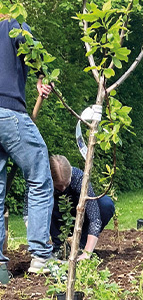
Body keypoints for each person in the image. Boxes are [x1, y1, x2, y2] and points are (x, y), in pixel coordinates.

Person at [0, 15, 55, 280]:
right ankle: (41, 256)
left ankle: (0, 268)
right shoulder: (12, 24)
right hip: (9, 112)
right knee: (39, 177)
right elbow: (31, 47)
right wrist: (42, 77)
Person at [49, 154, 115, 260]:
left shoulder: (79, 178)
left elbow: (95, 218)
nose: (63, 189)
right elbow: (30, 213)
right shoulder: (41, 181)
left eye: (66, 184)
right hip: (57, 220)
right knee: (47, 205)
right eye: (58, 185)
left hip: (80, 217)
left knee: (106, 204)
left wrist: (87, 253)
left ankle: (81, 245)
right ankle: (60, 247)